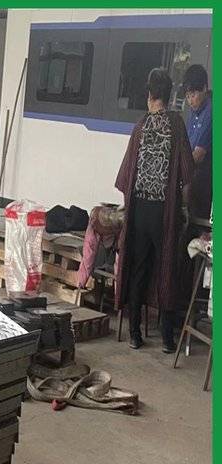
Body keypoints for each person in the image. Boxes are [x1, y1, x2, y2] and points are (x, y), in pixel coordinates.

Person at [114, 68, 195, 352]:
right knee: (166, 270)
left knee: (139, 268)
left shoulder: (140, 126)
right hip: (164, 213)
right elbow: (187, 171)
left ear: (149, 94)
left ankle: (135, 333)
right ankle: (168, 339)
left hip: (139, 211)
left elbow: (125, 176)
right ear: (169, 96)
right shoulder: (176, 124)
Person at [182, 64, 212, 220]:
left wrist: (177, 167)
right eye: (187, 96)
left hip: (205, 183)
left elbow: (198, 155)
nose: (190, 101)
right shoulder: (193, 113)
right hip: (193, 180)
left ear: (204, 89)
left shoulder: (211, 111)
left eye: (193, 95)